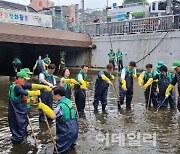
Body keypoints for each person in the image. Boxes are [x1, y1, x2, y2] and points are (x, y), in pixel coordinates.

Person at [38, 87, 78, 154]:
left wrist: (44, 107)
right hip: (74, 127)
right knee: (70, 148)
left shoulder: (61, 106)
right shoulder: (68, 100)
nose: (52, 97)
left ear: (58, 95)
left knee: (58, 151)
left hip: (66, 130)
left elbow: (53, 115)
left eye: (53, 95)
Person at [8, 70, 41, 144]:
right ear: (19, 78)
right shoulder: (16, 87)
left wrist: (42, 86)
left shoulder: (20, 85)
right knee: (17, 129)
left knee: (21, 128)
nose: (25, 81)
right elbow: (25, 92)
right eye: (24, 79)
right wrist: (35, 93)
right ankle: (17, 146)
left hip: (19, 112)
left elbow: (29, 86)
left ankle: (20, 142)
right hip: (15, 113)